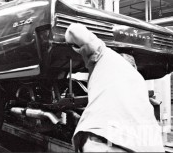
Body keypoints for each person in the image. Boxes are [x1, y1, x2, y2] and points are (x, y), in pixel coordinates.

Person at [65, 23, 165, 152]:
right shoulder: (138, 82)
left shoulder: (105, 56)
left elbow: (74, 30)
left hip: (103, 140)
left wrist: (66, 40)